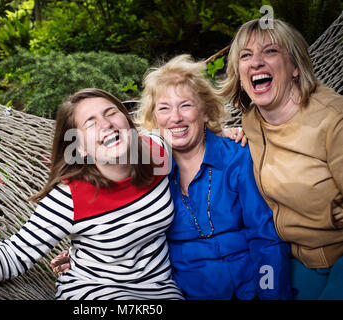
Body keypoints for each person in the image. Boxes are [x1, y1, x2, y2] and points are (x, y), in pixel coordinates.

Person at [0, 88, 184, 300]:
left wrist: (230, 134)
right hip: (96, 293)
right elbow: (13, 254)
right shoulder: (70, 197)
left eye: (111, 113)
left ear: (128, 123)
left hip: (159, 289)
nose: (107, 124)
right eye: (91, 123)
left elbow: (199, 142)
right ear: (80, 147)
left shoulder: (157, 149)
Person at [52, 55, 293, 300]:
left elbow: (266, 238)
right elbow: (120, 222)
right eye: (164, 108)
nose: (175, 117)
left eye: (186, 105)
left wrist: (272, 295)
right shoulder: (145, 172)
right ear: (154, 119)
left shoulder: (236, 158)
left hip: (252, 288)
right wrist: (87, 259)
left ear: (206, 113)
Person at [219, 18, 343, 299]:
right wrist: (225, 135)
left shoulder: (333, 121)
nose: (256, 62)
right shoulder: (251, 120)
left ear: (296, 67)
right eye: (246, 55)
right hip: (289, 258)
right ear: (239, 74)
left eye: (270, 51)